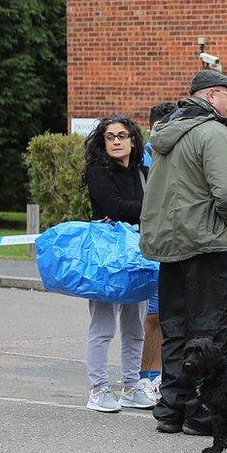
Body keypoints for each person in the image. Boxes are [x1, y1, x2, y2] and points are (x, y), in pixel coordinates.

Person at [139, 70, 227, 437]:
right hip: (206, 245)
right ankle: (201, 415)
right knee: (209, 331)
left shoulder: (166, 133)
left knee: (176, 330)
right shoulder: (214, 131)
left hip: (170, 247)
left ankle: (170, 409)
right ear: (212, 96)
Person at [81, 115, 156, 412]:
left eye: (122, 135)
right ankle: (98, 389)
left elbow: (134, 210)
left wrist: (139, 212)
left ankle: (131, 385)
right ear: (103, 142)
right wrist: (148, 210)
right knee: (103, 326)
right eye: (110, 136)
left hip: (138, 253)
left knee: (135, 325)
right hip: (106, 257)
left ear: (133, 140)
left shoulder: (143, 171)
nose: (116, 141)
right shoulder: (98, 171)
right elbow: (115, 207)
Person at [139, 101, 177, 403]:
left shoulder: (176, 153)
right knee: (151, 317)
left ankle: (156, 376)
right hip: (146, 244)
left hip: (170, 242)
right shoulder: (142, 158)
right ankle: (143, 377)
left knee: (162, 315)